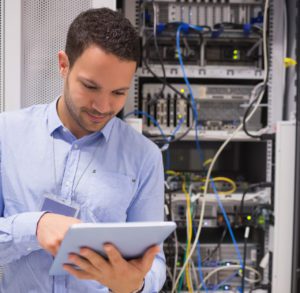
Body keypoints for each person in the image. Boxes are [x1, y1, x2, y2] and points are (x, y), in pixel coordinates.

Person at [0, 8, 166, 293]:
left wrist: (136, 285)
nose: (103, 107)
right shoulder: (6, 135)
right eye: (90, 87)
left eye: (118, 93)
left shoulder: (144, 157)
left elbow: (155, 263)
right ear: (63, 65)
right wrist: (34, 227)